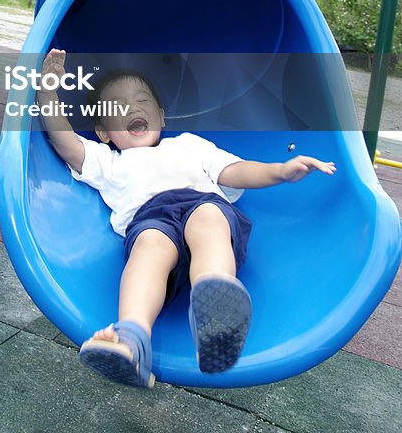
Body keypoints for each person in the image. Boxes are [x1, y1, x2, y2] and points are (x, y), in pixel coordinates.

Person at [38, 48, 337, 388]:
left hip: (202, 205)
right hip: (151, 220)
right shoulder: (108, 161)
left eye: (142, 101)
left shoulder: (190, 145)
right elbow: (66, 143)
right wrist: (48, 90)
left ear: (162, 116)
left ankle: (215, 303)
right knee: (149, 247)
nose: (133, 108)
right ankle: (132, 337)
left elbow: (236, 171)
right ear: (104, 132)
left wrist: (279, 171)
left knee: (207, 217)